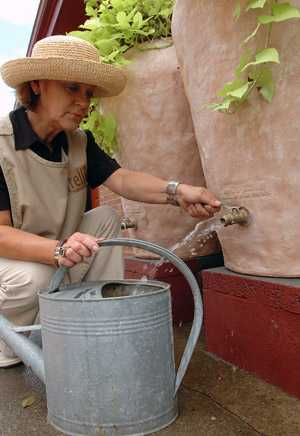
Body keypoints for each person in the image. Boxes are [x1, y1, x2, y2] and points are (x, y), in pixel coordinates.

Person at [0, 35, 221, 367]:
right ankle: (9, 343)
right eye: (72, 87)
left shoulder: (77, 142)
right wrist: (58, 250)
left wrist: (179, 192)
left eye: (88, 93)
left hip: (54, 248)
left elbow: (123, 180)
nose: (83, 102)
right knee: (36, 277)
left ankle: (94, 319)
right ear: (36, 85)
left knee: (104, 217)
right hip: (14, 259)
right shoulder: (2, 145)